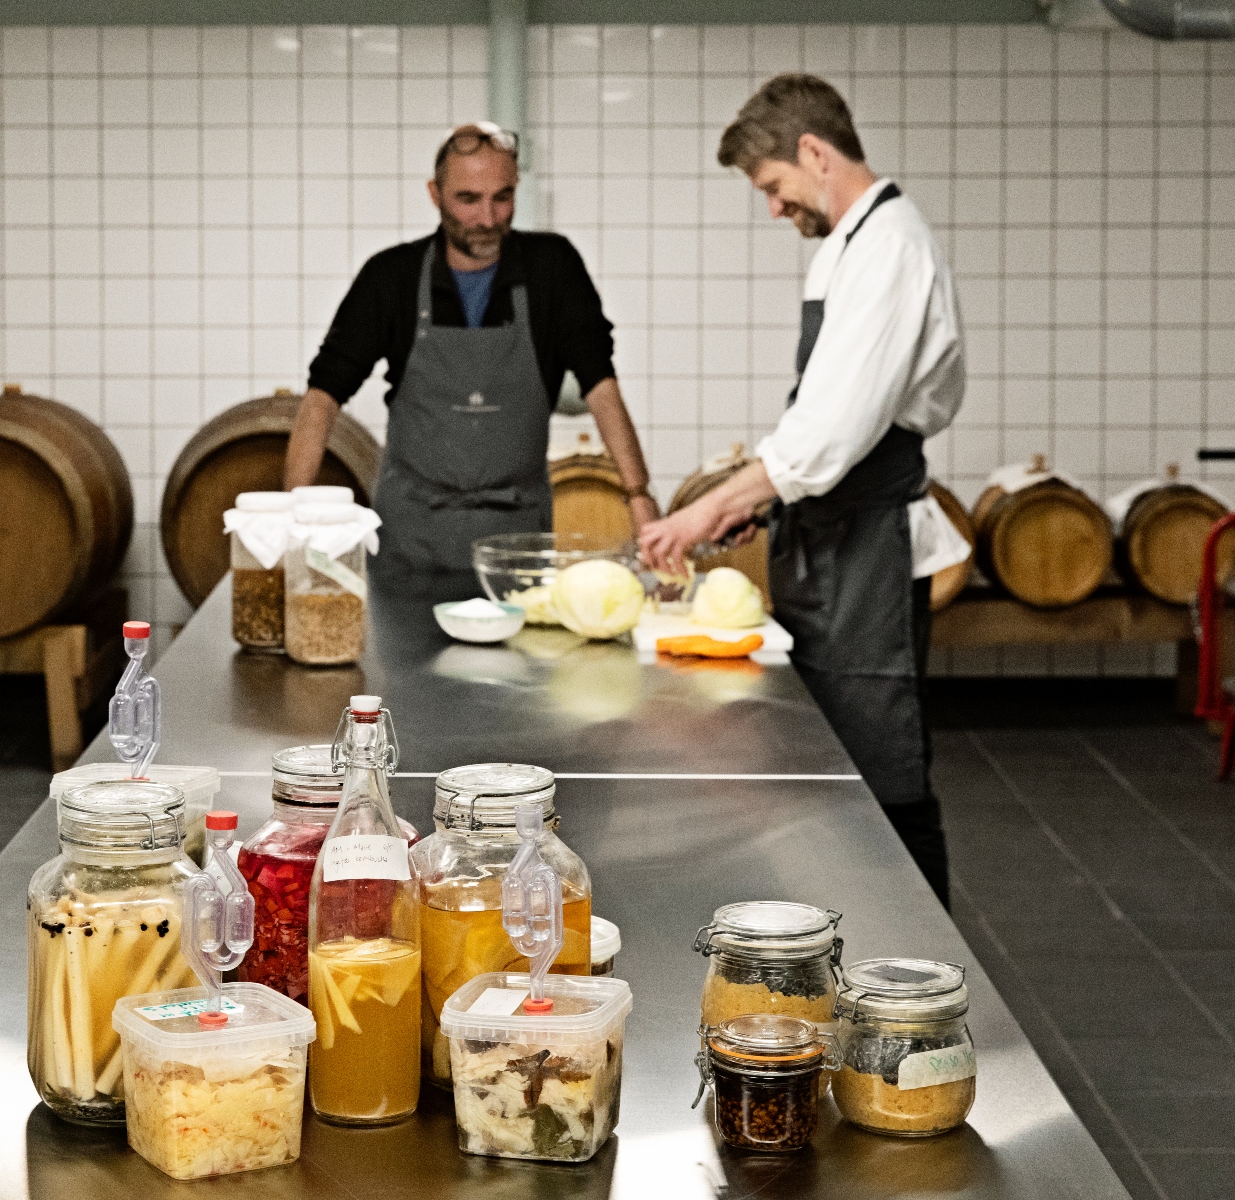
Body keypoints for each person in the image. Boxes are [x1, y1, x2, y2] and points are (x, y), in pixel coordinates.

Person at [638, 75, 966, 907]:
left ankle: (921, 967)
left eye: (775, 188)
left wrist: (715, 505)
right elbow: (821, 426)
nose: (777, 210)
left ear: (815, 153)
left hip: (870, 547)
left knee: (881, 770)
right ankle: (851, 931)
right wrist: (754, 501)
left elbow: (830, 435)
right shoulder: (850, 246)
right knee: (833, 764)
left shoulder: (891, 244)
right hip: (833, 538)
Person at [284, 122, 659, 599]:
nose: (487, 218)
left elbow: (600, 384)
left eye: (502, 198)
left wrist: (639, 496)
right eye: (468, 199)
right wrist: (289, 522)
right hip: (411, 543)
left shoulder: (552, 267)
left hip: (517, 548)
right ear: (434, 194)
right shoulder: (391, 277)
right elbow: (322, 397)